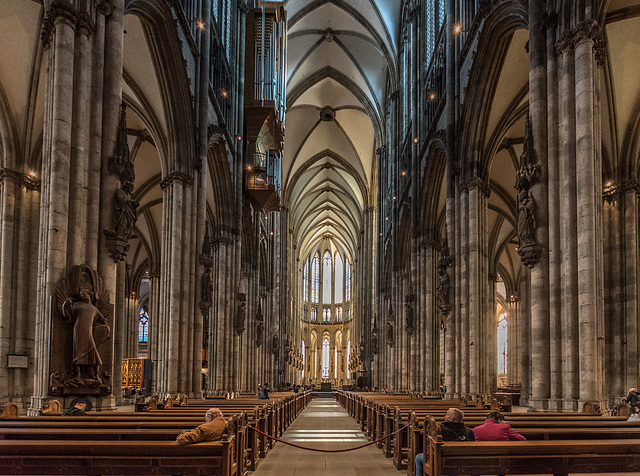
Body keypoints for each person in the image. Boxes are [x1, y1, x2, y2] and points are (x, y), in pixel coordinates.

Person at [61, 287, 110, 384]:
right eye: (81, 293)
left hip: (89, 331)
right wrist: (66, 304)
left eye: (83, 293)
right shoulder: (77, 305)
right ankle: (77, 375)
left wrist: (105, 327)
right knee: (78, 351)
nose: (81, 294)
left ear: (89, 295)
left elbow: (102, 319)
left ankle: (96, 375)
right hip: (78, 329)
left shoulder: (93, 308)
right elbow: (68, 314)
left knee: (93, 352)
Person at [415, 408, 474, 476]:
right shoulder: (469, 432)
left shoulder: (441, 431)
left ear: (451, 419)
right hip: (465, 461)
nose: (445, 416)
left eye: (447, 414)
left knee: (418, 457)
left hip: (443, 462)